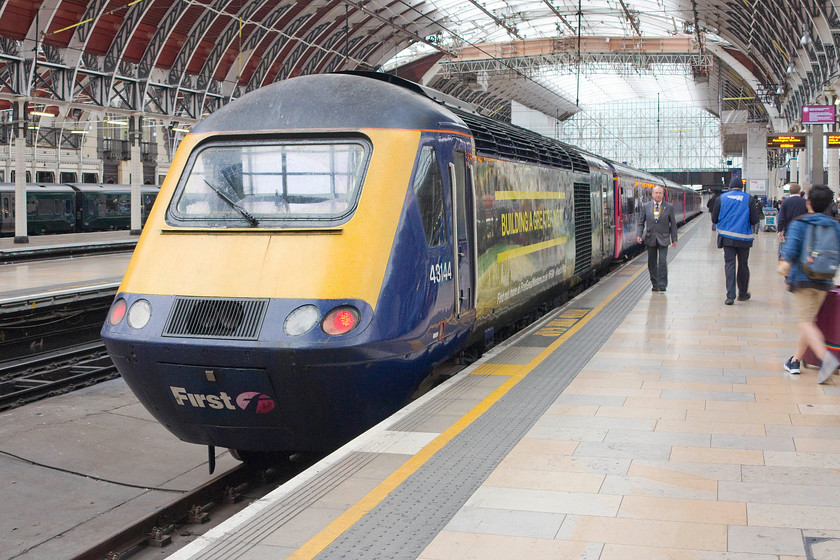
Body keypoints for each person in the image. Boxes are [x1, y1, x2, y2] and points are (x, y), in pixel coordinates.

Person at [778, 184, 840, 382]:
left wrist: (784, 265)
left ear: (808, 203)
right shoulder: (835, 225)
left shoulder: (800, 223)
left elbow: (790, 251)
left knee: (804, 322)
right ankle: (795, 360)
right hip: (825, 280)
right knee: (809, 321)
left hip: (802, 279)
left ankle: (826, 359)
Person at [712, 177, 761, 305]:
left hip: (727, 237)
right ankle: (743, 294)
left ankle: (730, 296)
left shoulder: (720, 199)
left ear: (730, 187)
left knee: (729, 265)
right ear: (741, 187)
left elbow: (714, 219)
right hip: (744, 238)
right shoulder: (749, 199)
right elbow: (755, 220)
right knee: (743, 264)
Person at [636, 185, 678, 292]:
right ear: (652, 194)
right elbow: (641, 223)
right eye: (656, 193)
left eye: (660, 193)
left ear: (663, 195)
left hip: (663, 238)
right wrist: (638, 235)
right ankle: (655, 284)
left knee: (662, 261)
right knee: (652, 263)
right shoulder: (646, 206)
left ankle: (662, 284)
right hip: (651, 238)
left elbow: (673, 224)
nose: (658, 195)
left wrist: (674, 239)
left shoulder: (668, 207)